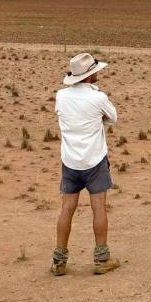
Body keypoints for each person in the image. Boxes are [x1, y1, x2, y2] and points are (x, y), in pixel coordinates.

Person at [51, 52, 121, 276]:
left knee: (67, 208)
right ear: (90, 76)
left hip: (70, 160)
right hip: (94, 159)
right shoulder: (97, 98)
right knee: (98, 207)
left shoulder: (61, 96)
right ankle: (102, 259)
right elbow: (112, 118)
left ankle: (59, 261)